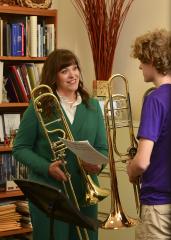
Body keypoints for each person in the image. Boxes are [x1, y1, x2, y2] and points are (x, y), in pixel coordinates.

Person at [12, 49, 108, 240]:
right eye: (65, 71)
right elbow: (20, 148)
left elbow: (102, 148)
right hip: (50, 194)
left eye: (75, 68)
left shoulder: (93, 107)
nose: (72, 75)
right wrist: (47, 167)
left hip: (85, 192)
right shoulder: (39, 106)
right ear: (53, 76)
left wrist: (98, 165)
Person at [127, 29, 171, 240]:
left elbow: (142, 162)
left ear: (153, 60)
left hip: (158, 207)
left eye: (142, 60)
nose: (139, 66)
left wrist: (131, 170)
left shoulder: (155, 99)